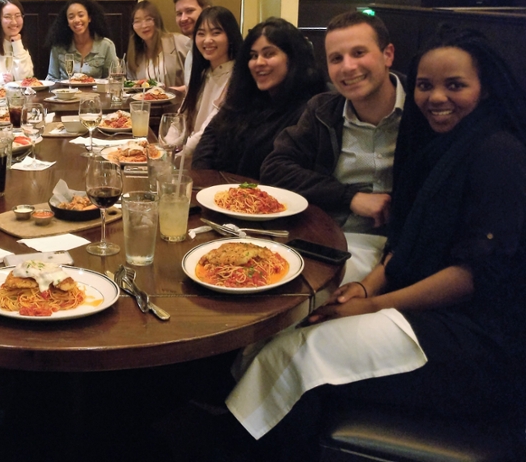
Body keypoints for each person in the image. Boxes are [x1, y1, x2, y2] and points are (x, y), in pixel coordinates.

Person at [222, 26, 526, 462]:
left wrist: (374, 305)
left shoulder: (498, 152)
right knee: (286, 337)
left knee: (295, 354)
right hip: (424, 306)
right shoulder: (437, 145)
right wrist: (366, 287)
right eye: (425, 85)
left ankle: (243, 446)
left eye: (455, 85)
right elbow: (406, 240)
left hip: (473, 337)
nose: (436, 98)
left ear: (486, 87)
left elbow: (472, 276)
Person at [260, 12, 410, 283]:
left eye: (359, 52)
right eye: (336, 58)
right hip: (324, 238)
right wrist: (349, 198)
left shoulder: (421, 110)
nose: (348, 67)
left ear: (388, 54)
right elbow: (275, 168)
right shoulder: (323, 110)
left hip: (395, 249)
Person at [192, 17, 324, 174]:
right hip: (220, 193)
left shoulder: (310, 109)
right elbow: (211, 134)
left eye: (269, 54)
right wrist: (204, 177)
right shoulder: (246, 97)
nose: (258, 62)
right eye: (253, 56)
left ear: (293, 58)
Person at [165, 6, 242, 162]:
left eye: (216, 33)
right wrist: (165, 148)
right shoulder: (203, 73)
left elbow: (209, 128)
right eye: (201, 34)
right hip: (189, 158)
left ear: (230, 36)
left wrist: (176, 157)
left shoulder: (236, 77)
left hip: (214, 162)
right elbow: (182, 116)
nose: (207, 40)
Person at [46, 0, 117, 81]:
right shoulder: (58, 47)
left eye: (81, 15)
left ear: (89, 18)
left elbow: (113, 78)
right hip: (65, 93)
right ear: (67, 22)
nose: (76, 20)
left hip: (95, 93)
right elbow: (52, 79)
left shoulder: (106, 46)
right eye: (71, 17)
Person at [125, 0, 190, 88]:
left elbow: (200, 76)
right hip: (147, 100)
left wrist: (184, 89)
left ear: (157, 21)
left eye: (148, 19)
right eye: (137, 21)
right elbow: (131, 87)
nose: (144, 26)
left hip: (180, 100)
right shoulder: (135, 55)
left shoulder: (179, 42)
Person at [172, 0, 212, 92]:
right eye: (179, 13)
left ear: (206, 11)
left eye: (189, 11)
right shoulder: (191, 49)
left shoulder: (212, 50)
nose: (183, 18)